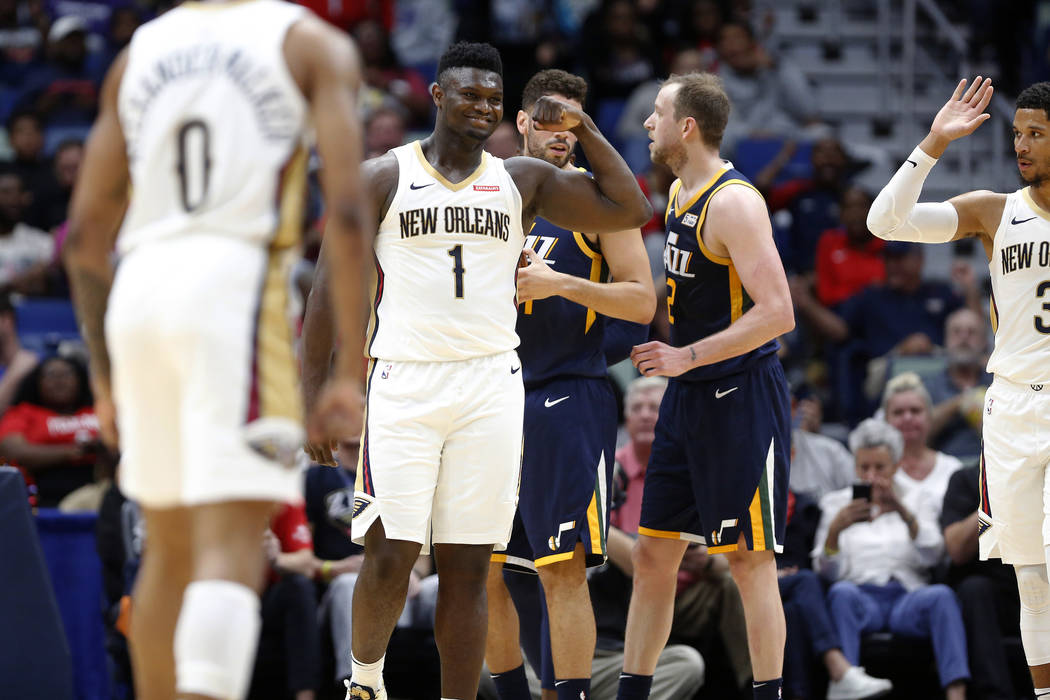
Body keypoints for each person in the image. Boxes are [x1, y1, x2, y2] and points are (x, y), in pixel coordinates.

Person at [300, 42, 651, 700]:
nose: (482, 106)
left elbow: (630, 208)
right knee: (390, 555)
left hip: (491, 385)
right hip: (406, 378)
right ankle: (365, 682)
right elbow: (326, 291)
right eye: (469, 94)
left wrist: (586, 126)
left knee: (470, 569)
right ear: (436, 96)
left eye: (492, 97)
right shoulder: (385, 175)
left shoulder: (521, 179)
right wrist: (314, 392)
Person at [62, 5, 371, 700]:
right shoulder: (312, 44)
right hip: (234, 287)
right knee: (231, 541)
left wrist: (106, 383)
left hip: (140, 287)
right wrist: (346, 372)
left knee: (166, 552)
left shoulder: (137, 53)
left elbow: (84, 238)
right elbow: (348, 214)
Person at [865, 76, 1050, 695]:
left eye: (1037, 134)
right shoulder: (994, 211)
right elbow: (884, 222)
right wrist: (934, 142)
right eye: (1018, 133)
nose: (1021, 145)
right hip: (1011, 411)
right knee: (1031, 574)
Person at [620, 72, 795, 700]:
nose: (647, 123)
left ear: (686, 126)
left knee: (749, 562)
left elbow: (779, 312)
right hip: (687, 396)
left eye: (658, 113)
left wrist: (686, 355)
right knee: (652, 554)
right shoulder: (674, 192)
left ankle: (769, 692)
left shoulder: (734, 202)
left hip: (739, 396)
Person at [483, 68, 656, 700]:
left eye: (576, 125)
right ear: (523, 122)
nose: (564, 135)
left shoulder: (595, 199)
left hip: (566, 394)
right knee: (482, 570)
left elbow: (641, 301)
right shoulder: (484, 193)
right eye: (553, 121)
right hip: (488, 398)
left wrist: (560, 285)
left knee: (562, 568)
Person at [813, 419, 969, 700]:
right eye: (864, 467)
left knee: (943, 597)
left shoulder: (917, 499)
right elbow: (825, 572)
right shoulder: (836, 504)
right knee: (841, 593)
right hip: (861, 599)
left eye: (880, 467)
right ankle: (847, 686)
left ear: (896, 465)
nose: (871, 476)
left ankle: (956, 694)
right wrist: (835, 531)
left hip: (907, 598)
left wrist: (901, 510)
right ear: (855, 467)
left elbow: (934, 555)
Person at [941, 464, 1030, 700]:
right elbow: (956, 549)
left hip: (1034, 585)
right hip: (989, 598)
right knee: (974, 590)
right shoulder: (965, 479)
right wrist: (992, 498)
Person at [0, 354, 105, 507]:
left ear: (81, 379)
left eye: (67, 374)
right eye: (50, 375)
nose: (59, 380)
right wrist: (73, 451)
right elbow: (12, 451)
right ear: (37, 382)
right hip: (44, 494)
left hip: (100, 486)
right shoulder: (23, 413)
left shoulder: (98, 411)